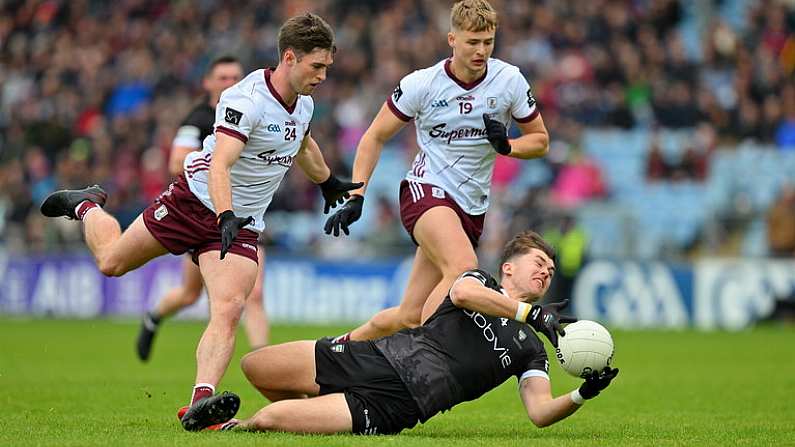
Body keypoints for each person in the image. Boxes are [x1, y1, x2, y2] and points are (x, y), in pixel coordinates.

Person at [39, 13, 361, 431]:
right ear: (289, 57)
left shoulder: (305, 104)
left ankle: (201, 403)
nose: (322, 75)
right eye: (317, 66)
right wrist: (223, 212)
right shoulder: (245, 99)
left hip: (240, 222)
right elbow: (220, 165)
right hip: (193, 201)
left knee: (228, 308)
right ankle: (87, 206)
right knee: (111, 263)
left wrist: (328, 183)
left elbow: (303, 145)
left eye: (326, 68)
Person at [187, 230, 618, 434]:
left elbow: (539, 413)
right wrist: (531, 313)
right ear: (508, 267)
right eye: (537, 262)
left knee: (271, 418)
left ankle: (229, 429)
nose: (546, 270)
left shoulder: (532, 351)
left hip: (400, 403)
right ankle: (319, 404)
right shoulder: (481, 281)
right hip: (376, 356)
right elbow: (463, 294)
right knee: (256, 366)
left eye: (551, 269)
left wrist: (583, 394)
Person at [325, 0, 550, 342]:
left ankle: (336, 351)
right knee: (463, 269)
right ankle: (419, 357)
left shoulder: (510, 80)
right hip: (426, 190)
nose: (481, 51)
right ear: (452, 39)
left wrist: (507, 147)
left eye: (488, 42)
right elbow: (374, 136)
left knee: (410, 314)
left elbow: (541, 141)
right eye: (472, 42)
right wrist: (357, 194)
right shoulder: (422, 84)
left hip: (472, 206)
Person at [135, 55, 271, 362]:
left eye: (236, 77)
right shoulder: (198, 118)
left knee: (254, 295)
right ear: (207, 82)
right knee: (190, 293)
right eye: (222, 77)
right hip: (201, 212)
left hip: (242, 215)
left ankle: (264, 362)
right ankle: (153, 317)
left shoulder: (252, 112)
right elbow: (175, 160)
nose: (230, 83)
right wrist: (217, 159)